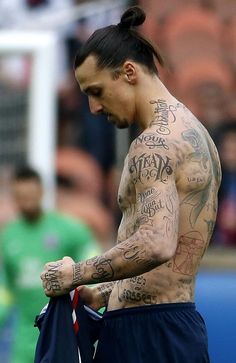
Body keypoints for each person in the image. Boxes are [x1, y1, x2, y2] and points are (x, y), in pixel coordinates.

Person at [40, 6, 222, 363]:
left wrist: (74, 275)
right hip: (170, 326)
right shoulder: (191, 133)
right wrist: (103, 293)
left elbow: (156, 244)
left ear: (128, 72)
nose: (93, 108)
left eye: (97, 91)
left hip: (147, 334)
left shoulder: (153, 145)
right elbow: (167, 270)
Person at [0, 166, 101, 363]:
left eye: (30, 195)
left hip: (61, 331)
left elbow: (94, 268)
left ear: (41, 192)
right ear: (13, 196)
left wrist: (97, 312)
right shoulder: (8, 236)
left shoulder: (70, 229)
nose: (26, 202)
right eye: (20, 196)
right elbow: (6, 288)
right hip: (23, 339)